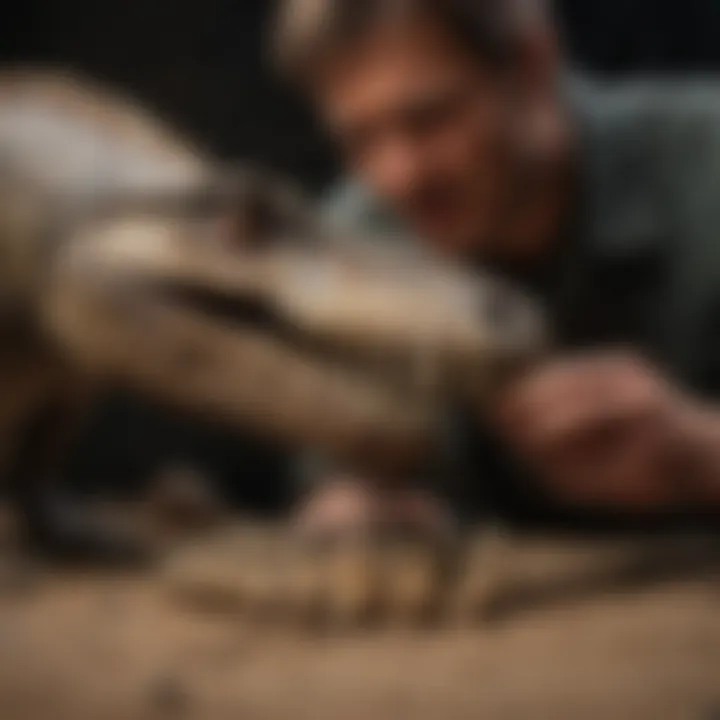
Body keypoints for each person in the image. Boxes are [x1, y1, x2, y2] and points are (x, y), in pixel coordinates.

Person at [271, 0, 720, 536]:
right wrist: (358, 512)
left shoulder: (705, 166)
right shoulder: (356, 247)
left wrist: (701, 454)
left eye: (429, 119)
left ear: (533, 65)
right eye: (359, 140)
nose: (399, 176)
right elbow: (335, 485)